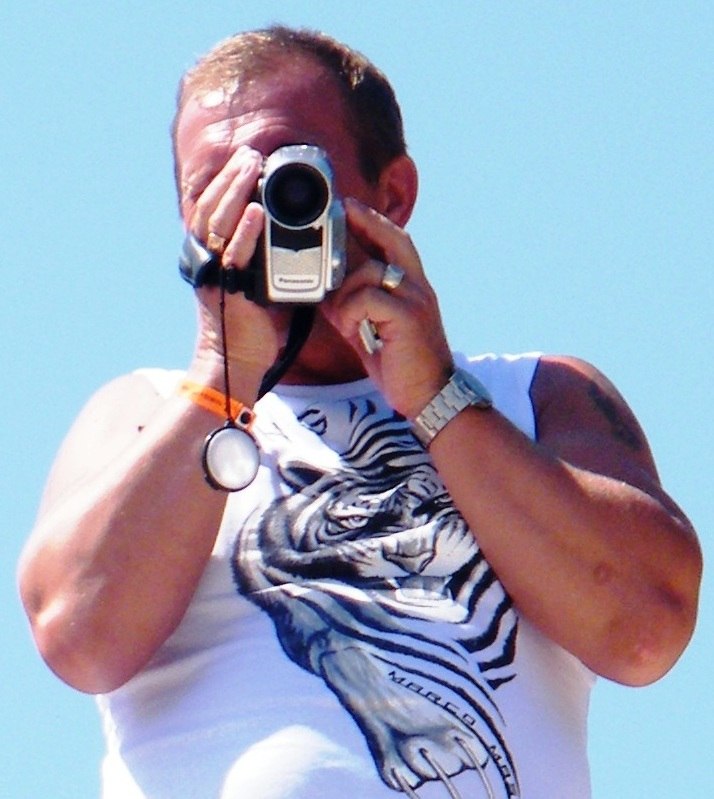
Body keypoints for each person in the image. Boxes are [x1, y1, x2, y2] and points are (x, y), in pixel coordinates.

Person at [18, 25, 701, 799]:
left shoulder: (540, 396)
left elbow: (646, 628)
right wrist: (219, 378)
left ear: (393, 194)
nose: (256, 213)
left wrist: (437, 396)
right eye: (215, 189)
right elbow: (80, 637)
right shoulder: (142, 414)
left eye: (287, 172)